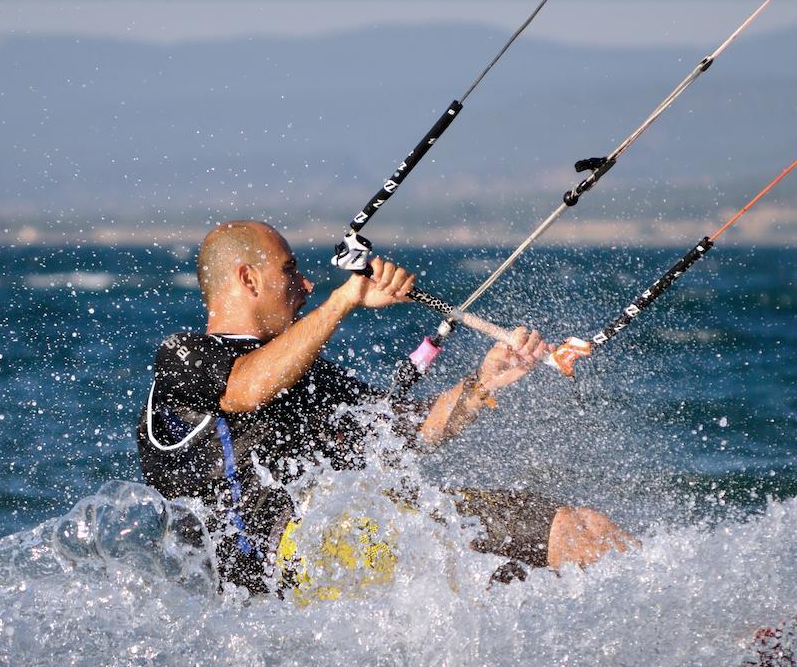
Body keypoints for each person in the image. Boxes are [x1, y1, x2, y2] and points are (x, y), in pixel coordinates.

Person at [137, 220, 635, 595]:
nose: (306, 285)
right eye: (290, 270)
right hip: (286, 563)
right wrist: (343, 300)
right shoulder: (185, 358)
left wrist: (484, 382)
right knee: (573, 535)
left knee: (545, 562)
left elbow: (412, 431)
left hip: (346, 541)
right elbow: (245, 390)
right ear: (247, 279)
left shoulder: (311, 376)